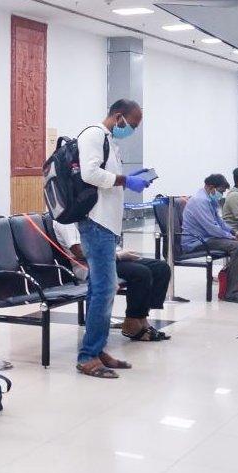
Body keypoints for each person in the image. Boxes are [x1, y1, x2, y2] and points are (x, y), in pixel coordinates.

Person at [73, 98, 152, 378]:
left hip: (105, 224)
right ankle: (87, 356)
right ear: (118, 116)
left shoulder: (108, 139)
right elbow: (90, 173)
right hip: (95, 222)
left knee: (100, 290)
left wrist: (126, 177)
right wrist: (125, 180)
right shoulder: (94, 134)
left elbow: (105, 175)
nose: (131, 129)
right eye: (131, 124)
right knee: (106, 290)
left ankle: (96, 349)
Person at [52, 221, 171, 342]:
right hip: (92, 265)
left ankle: (141, 318)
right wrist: (118, 255)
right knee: (141, 273)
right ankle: (132, 322)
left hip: (112, 258)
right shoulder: (65, 220)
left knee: (161, 268)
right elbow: (79, 251)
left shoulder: (91, 215)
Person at [182, 174, 238, 304]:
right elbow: (211, 228)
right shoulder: (200, 201)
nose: (221, 194)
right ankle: (231, 293)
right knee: (236, 246)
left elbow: (219, 222)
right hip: (196, 241)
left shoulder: (209, 199)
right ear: (211, 187)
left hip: (207, 237)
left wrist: (234, 232)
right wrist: (231, 237)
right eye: (220, 191)